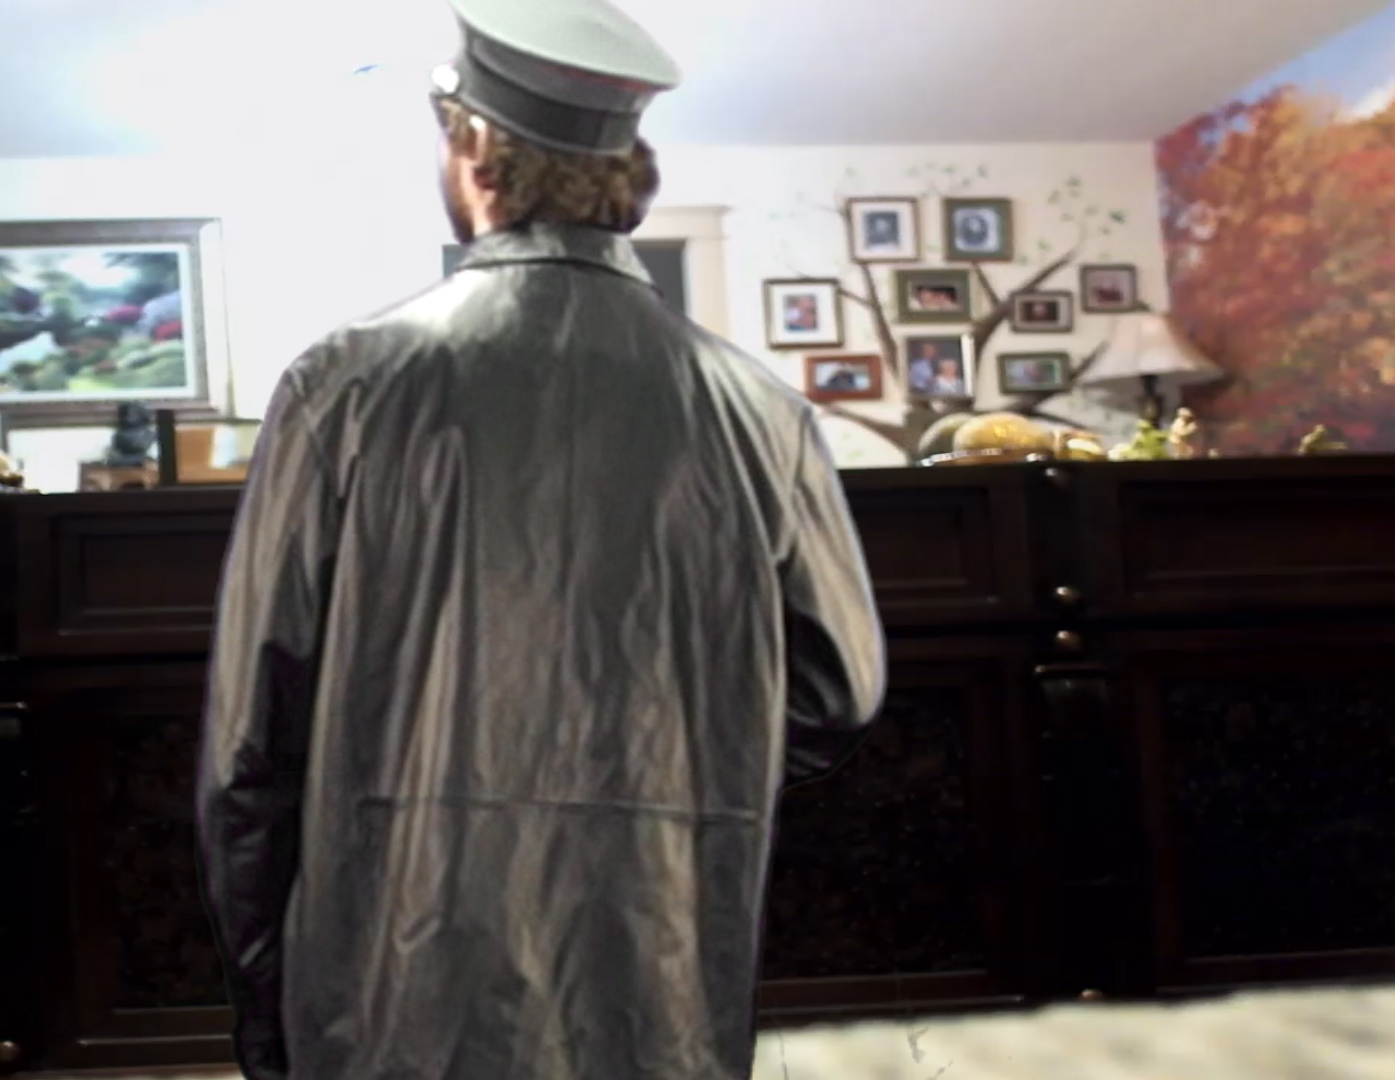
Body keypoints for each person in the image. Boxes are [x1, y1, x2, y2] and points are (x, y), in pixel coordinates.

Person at [194, 1, 886, 1078]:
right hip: (660, 977)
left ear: (474, 150)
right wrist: (682, 772)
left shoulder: (345, 386)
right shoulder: (762, 411)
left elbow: (251, 742)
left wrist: (264, 1004)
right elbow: (838, 692)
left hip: (390, 983)